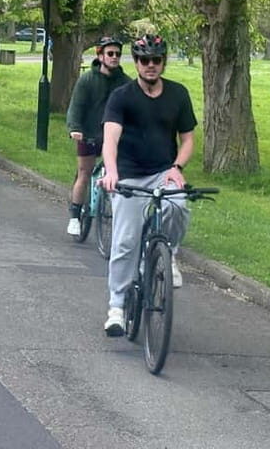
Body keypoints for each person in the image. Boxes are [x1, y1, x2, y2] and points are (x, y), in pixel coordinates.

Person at [99, 33, 197, 336]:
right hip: (128, 174)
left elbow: (187, 139)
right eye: (144, 60)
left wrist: (177, 168)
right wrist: (112, 172)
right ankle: (117, 307)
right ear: (136, 62)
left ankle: (167, 254)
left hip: (163, 172)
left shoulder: (178, 94)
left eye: (156, 60)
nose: (150, 65)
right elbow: (110, 139)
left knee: (178, 205)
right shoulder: (122, 96)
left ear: (163, 62)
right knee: (125, 241)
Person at [65, 36, 131, 236]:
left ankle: (120, 216)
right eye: (110, 53)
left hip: (114, 137)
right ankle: (75, 216)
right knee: (84, 173)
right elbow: (76, 107)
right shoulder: (87, 80)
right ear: (100, 56)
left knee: (119, 175)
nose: (114, 57)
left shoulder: (126, 83)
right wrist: (75, 129)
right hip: (89, 134)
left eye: (118, 54)